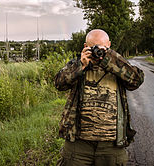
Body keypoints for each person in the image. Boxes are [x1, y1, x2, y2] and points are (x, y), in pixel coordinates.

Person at [54, 29, 144, 166]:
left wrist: (111, 59)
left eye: (102, 48)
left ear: (109, 45)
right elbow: (59, 84)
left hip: (112, 145)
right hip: (78, 144)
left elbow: (136, 80)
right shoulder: (77, 65)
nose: (98, 52)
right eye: (93, 47)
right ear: (85, 47)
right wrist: (81, 66)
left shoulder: (117, 66)